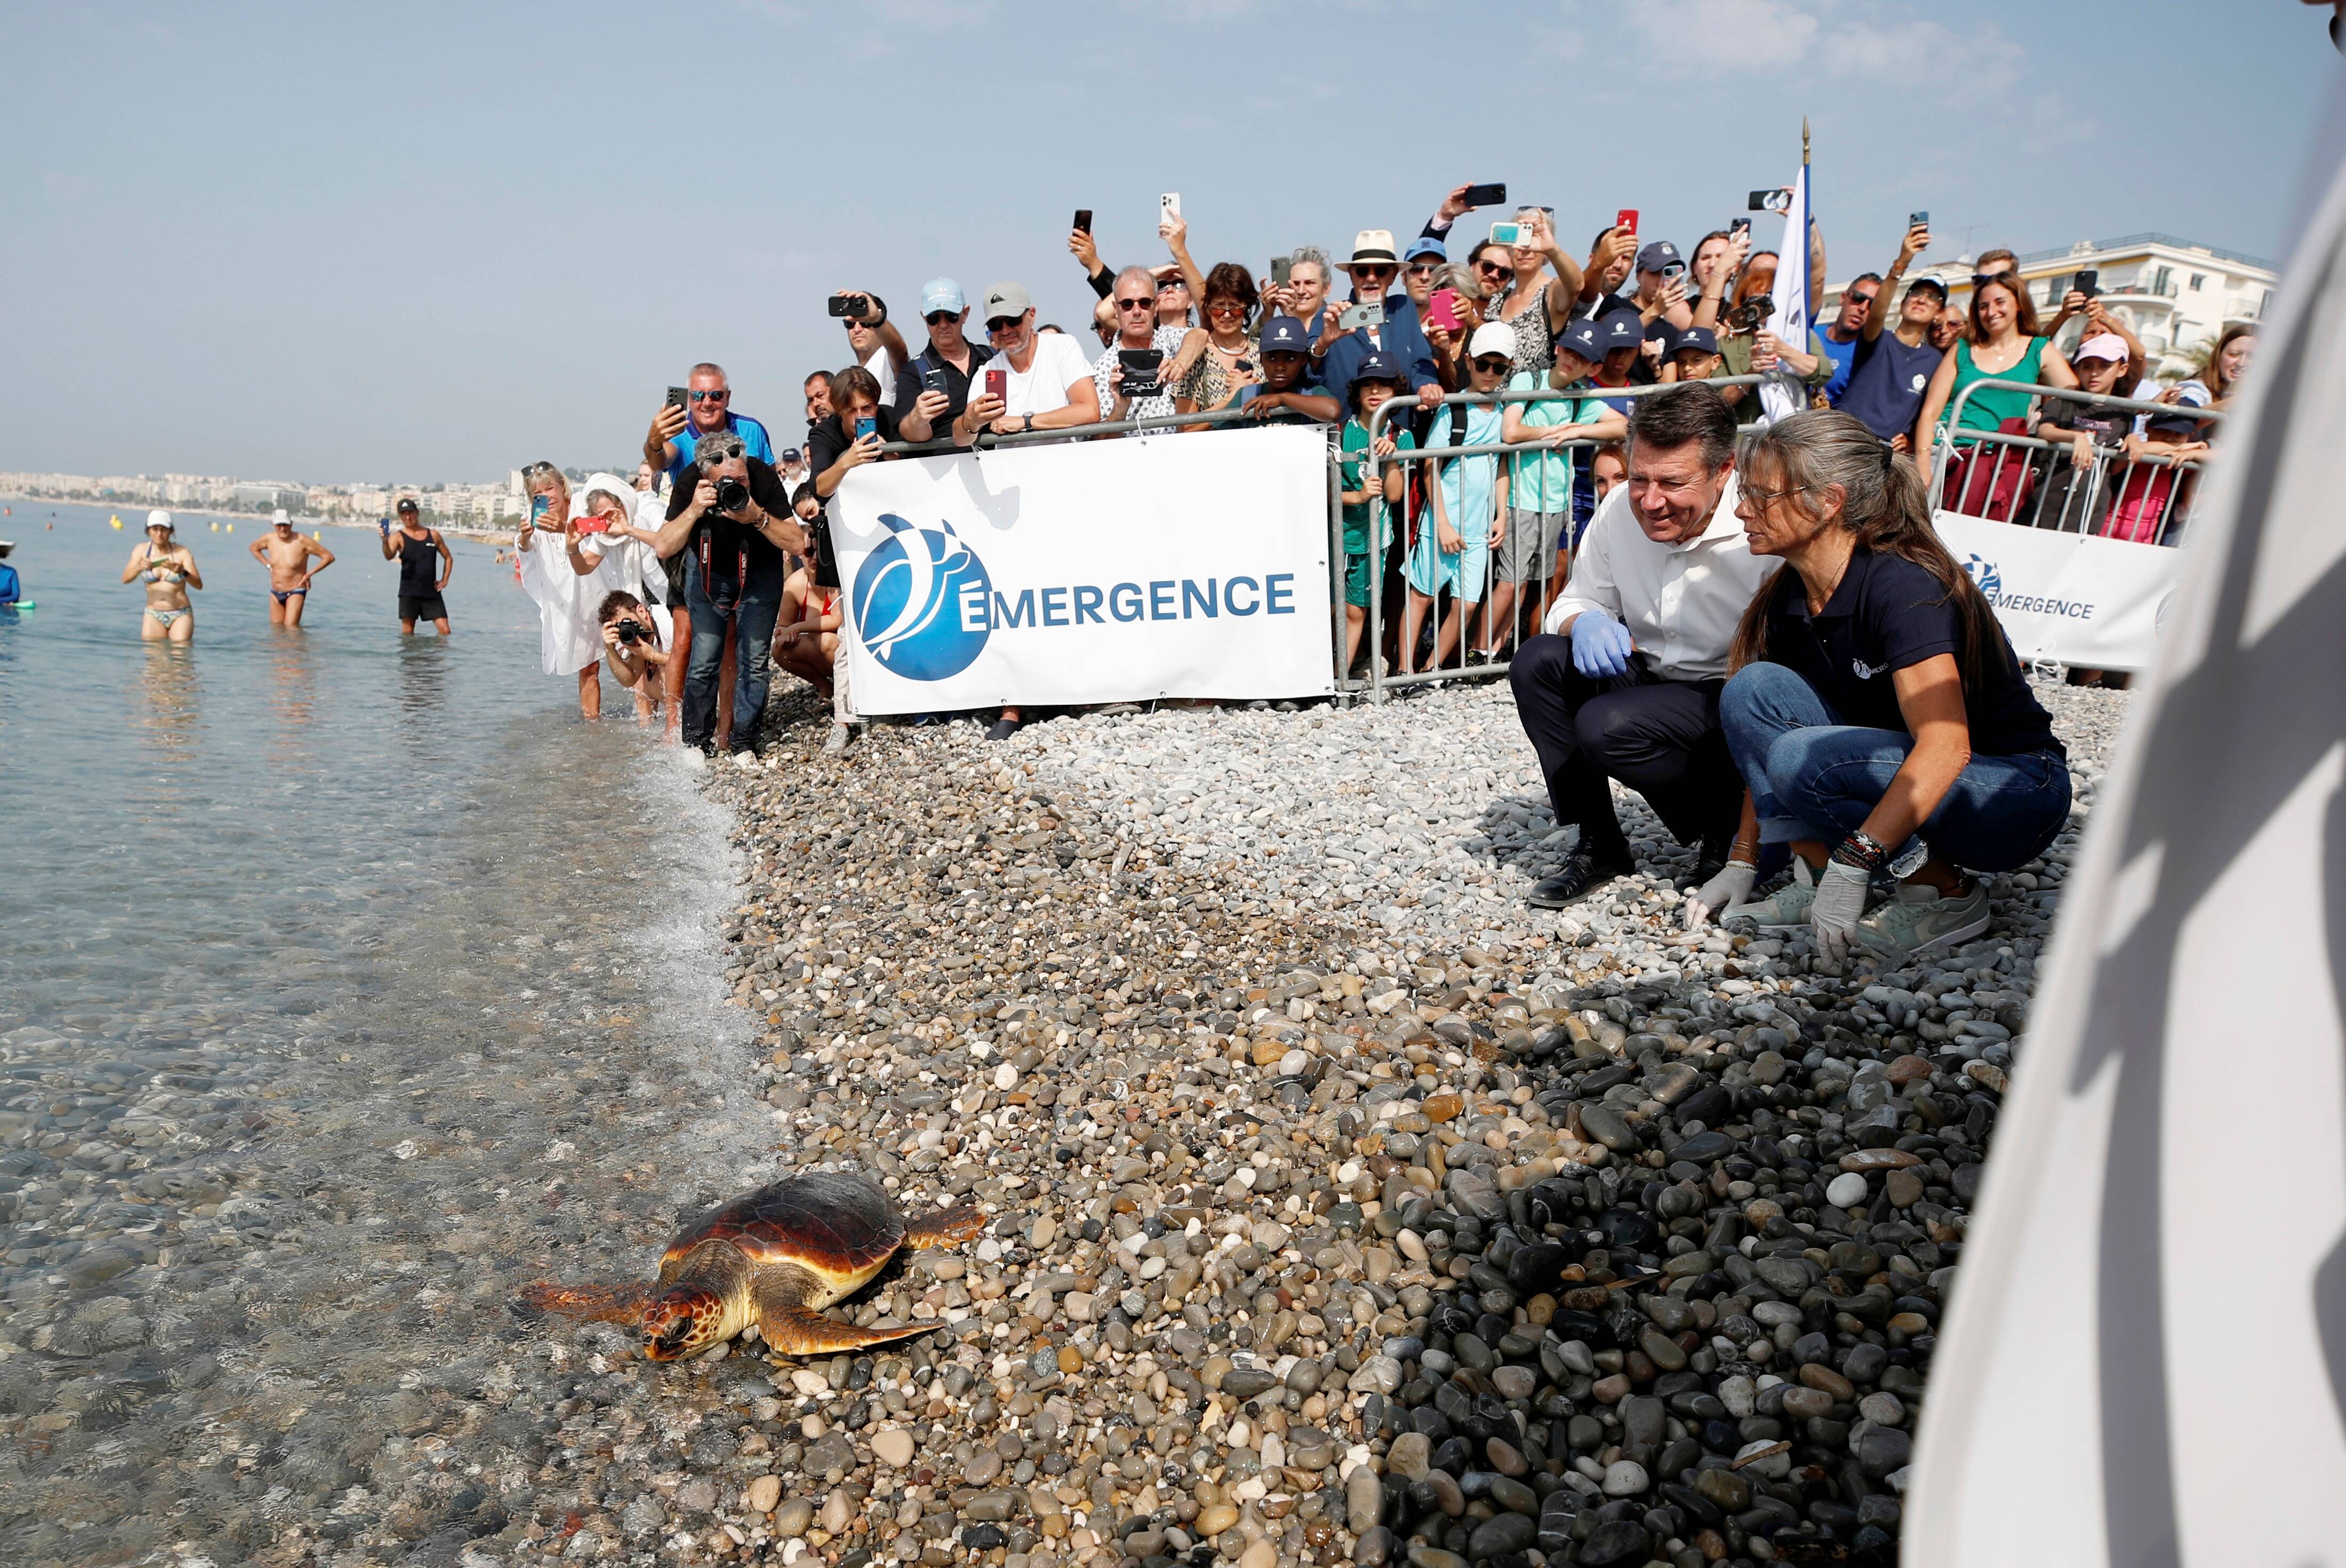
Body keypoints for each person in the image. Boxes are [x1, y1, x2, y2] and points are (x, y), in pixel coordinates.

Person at [1703, 409, 2072, 960]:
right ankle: (1815, 873)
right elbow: (1764, 730)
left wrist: (1859, 861)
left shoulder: (1903, 585)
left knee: (1803, 755)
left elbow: (1948, 745)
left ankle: (1946, 894)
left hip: (2012, 790)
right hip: (1917, 778)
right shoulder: (1791, 596)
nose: (1741, 509)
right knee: (1750, 691)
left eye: (1761, 494)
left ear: (1828, 502)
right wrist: (1743, 858)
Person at [1506, 383, 1780, 905]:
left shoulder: (1762, 525)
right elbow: (1574, 599)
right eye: (1639, 479)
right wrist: (1584, 621)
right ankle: (1600, 841)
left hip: (1731, 699)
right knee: (1537, 662)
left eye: (1672, 483)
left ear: (1724, 471)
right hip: (1651, 674)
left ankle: (1729, 830)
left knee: (1605, 727)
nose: (1650, 502)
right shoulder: (1618, 510)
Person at [651, 432, 809, 757]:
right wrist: (695, 510)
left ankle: (744, 743)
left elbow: (796, 543)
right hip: (708, 572)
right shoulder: (690, 482)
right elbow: (664, 546)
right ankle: (696, 743)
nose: (736, 487)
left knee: (754, 660)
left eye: (741, 479)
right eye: (726, 483)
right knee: (705, 658)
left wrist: (757, 517)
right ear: (706, 478)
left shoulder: (763, 476)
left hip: (761, 571)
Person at [1499, 323, 1625, 647]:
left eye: (1582, 358)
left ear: (1594, 368)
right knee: (1510, 585)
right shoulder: (1528, 380)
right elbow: (1511, 433)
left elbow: (1624, 425)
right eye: (1570, 350)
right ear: (1558, 348)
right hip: (1519, 499)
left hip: (1556, 503)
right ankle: (1477, 651)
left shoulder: (1580, 396)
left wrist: (1576, 431)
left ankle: (1515, 651)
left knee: (1539, 584)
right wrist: (1556, 431)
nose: (1572, 359)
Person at [1402, 322, 1513, 672]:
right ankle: (1405, 671)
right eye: (1483, 364)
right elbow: (1429, 467)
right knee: (1421, 596)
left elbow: (1500, 465)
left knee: (1466, 604)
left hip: (1478, 528)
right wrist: (1444, 525)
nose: (1490, 373)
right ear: (1468, 361)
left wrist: (1501, 515)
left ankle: (1431, 670)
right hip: (1441, 524)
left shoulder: (1503, 412)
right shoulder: (1453, 410)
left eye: (1499, 367)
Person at [1914, 269, 2078, 476]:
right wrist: (1923, 462)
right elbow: (1930, 412)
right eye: (1984, 306)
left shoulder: (2039, 349)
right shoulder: (1962, 348)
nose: (1991, 312)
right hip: (1945, 456)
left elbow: (2078, 398)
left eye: (2000, 302)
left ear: (2019, 303)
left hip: (1998, 466)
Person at [516, 469, 636, 719]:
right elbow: (526, 549)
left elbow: (600, 531)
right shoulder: (534, 520)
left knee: (632, 647)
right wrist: (525, 539)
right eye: (537, 493)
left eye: (550, 488)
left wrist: (564, 529)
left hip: (599, 587)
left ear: (562, 486)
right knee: (588, 666)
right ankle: (593, 724)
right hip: (569, 598)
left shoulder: (581, 505)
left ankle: (647, 710)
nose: (546, 496)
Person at [1837, 221, 1946, 449]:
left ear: (1940, 313)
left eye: (1934, 298)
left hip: (1887, 454)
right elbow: (1877, 313)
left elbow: (1930, 411)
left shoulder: (1935, 359)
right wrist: (1902, 263)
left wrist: (1912, 439)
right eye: (1916, 293)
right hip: (1846, 438)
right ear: (1903, 302)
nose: (1923, 299)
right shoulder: (1878, 338)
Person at [1337, 352, 1413, 675]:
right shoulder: (1339, 431)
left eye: (1383, 384)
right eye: (1367, 384)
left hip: (1374, 540)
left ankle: (1338, 679)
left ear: (1396, 391)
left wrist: (1391, 458)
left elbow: (1395, 494)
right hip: (1334, 534)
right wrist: (1356, 496)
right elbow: (1320, 492)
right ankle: (1322, 674)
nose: (1375, 391)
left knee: (1356, 611)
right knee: (1330, 607)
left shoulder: (1402, 436)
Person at [2032, 331, 2144, 533]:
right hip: (2046, 502)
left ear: (2122, 370)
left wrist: (2132, 440)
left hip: (2091, 508)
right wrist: (2076, 437)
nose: (2094, 373)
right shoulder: (2064, 401)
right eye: (2087, 366)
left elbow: (2116, 466)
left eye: (2104, 366)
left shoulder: (2124, 412)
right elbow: (2045, 430)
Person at [1321, 232, 1445, 407]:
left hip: (1397, 430)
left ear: (1393, 275)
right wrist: (1322, 345)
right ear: (1351, 275)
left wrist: (1426, 385)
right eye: (1363, 271)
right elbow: (1309, 371)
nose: (1371, 278)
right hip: (1345, 430)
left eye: (1381, 270)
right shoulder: (1329, 317)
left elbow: (1421, 362)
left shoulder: (1403, 308)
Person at [1094, 266, 1206, 430]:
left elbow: (1200, 335)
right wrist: (1119, 410)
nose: (1137, 311)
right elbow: (1098, 442)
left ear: (1155, 307)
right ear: (1116, 309)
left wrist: (1180, 364)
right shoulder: (1103, 368)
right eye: (1127, 304)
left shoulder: (1167, 339)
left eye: (1145, 303)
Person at [1490, 210, 1588, 377]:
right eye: (1520, 237)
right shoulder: (1498, 299)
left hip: (1537, 401)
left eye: (1534, 237)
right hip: (1496, 401)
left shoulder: (1552, 291)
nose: (1526, 249)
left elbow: (1577, 285)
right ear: (1508, 249)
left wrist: (1553, 250)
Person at [644, 363, 778, 485]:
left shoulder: (752, 430)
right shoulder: (677, 433)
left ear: (728, 397)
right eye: (698, 396)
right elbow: (658, 464)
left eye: (716, 395)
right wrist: (654, 442)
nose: (707, 403)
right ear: (689, 399)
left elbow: (772, 484)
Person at [892, 279, 995, 436]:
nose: (943, 325)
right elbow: (906, 433)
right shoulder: (912, 372)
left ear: (965, 314)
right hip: (943, 459)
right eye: (934, 318)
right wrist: (917, 418)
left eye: (951, 316)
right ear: (924, 318)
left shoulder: (992, 358)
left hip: (999, 458)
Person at [1174, 263, 1265, 419]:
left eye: (1236, 308)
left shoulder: (1265, 352)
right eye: (1218, 308)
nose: (1227, 315)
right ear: (1208, 308)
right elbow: (1187, 427)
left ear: (1247, 308)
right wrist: (1233, 398)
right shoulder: (1197, 358)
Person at [1220, 316, 1339, 425]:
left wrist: (1282, 398)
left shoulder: (1312, 393)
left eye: (1291, 358)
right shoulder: (1246, 395)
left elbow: (1332, 411)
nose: (1280, 367)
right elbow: (1216, 434)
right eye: (1271, 358)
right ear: (1261, 359)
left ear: (1304, 359)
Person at [123, 510, 201, 642]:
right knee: (153, 658)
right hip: (153, 614)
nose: (159, 534)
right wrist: (138, 568)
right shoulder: (141, 551)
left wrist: (182, 572)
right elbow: (125, 579)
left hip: (180, 613)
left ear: (171, 531)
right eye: (155, 529)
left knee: (179, 655)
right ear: (148, 531)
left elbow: (198, 584)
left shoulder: (182, 553)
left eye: (164, 530)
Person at [597, 590, 671, 725]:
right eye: (619, 627)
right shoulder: (633, 637)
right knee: (641, 683)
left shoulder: (668, 618)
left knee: (665, 674)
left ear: (641, 611)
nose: (626, 628)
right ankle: (646, 732)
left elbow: (692, 659)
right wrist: (610, 649)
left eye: (627, 622)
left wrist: (652, 656)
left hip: (713, 687)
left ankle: (675, 728)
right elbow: (629, 679)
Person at [250, 508, 334, 627]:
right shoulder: (269, 539)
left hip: (296, 590)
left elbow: (328, 557)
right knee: (277, 631)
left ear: (291, 524)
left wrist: (309, 574)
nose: (282, 528)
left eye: (286, 525)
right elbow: (253, 548)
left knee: (291, 631)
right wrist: (268, 565)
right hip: (275, 592)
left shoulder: (302, 541)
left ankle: (299, 646)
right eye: (279, 525)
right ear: (273, 525)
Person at [382, 496, 451, 635]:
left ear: (417, 513)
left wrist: (445, 580)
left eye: (410, 513)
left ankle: (436, 657)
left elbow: (448, 557)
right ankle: (411, 657)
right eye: (403, 514)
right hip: (409, 592)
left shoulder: (433, 535)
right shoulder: (398, 537)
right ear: (400, 516)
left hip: (431, 592)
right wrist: (384, 541)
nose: (407, 517)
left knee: (445, 631)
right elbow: (389, 556)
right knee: (408, 633)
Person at [836, 289, 910, 409]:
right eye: (850, 324)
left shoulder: (886, 359)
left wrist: (877, 320)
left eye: (865, 323)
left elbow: (900, 352)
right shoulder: (854, 373)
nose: (857, 329)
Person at [1816, 271, 1880, 405]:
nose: (1863, 308)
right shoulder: (1811, 335)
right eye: (1858, 298)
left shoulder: (1868, 355)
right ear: (1843, 298)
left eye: (1872, 305)